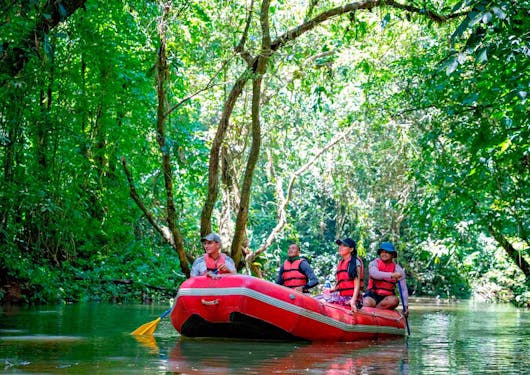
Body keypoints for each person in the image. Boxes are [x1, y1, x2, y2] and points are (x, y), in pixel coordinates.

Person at [362, 242, 408, 316]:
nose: (384, 254)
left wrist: (405, 307)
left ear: (392, 255)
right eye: (382, 252)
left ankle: (375, 314)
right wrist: (391, 275)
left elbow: (403, 290)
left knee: (394, 300)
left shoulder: (398, 270)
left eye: (387, 252)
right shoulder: (374, 263)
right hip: (372, 294)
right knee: (367, 302)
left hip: (387, 297)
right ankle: (373, 314)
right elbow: (375, 274)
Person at [326, 237, 364, 311]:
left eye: (344, 246)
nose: (341, 247)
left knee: (325, 302)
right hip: (342, 295)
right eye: (340, 245)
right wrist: (330, 290)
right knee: (319, 298)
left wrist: (353, 300)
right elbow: (340, 284)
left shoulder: (355, 262)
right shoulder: (341, 262)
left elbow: (357, 285)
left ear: (351, 249)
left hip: (353, 297)